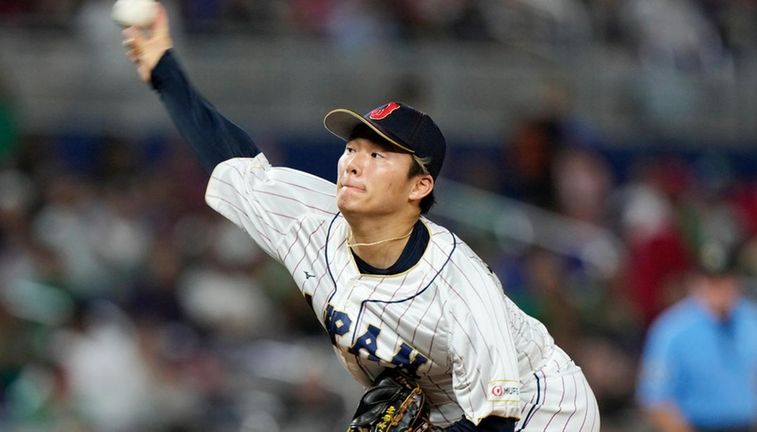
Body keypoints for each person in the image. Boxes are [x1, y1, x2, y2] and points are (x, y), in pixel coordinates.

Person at [120, 6, 600, 430]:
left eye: (379, 156)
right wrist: (164, 68)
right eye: (353, 148)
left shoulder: (460, 285)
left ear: (420, 186)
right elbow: (234, 160)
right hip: (450, 407)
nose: (353, 162)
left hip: (542, 406)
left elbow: (497, 419)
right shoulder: (310, 222)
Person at [637, 240, 757, 432]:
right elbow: (656, 399)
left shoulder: (754, 322)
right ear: (695, 282)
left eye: (725, 279)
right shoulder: (672, 329)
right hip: (699, 426)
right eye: (711, 281)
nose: (719, 289)